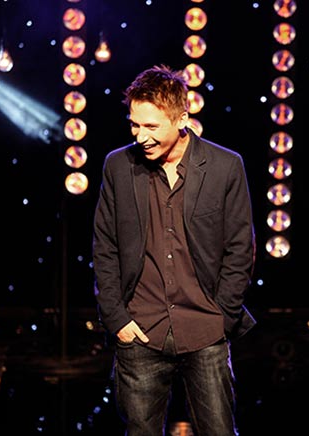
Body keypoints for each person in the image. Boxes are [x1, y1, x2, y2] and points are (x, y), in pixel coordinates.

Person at [92, 64, 257, 436]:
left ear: (182, 119)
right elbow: (105, 247)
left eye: (152, 126)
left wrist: (222, 317)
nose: (141, 136)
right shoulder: (118, 166)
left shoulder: (225, 166)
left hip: (205, 328)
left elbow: (239, 248)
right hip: (140, 330)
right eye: (135, 125)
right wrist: (117, 319)